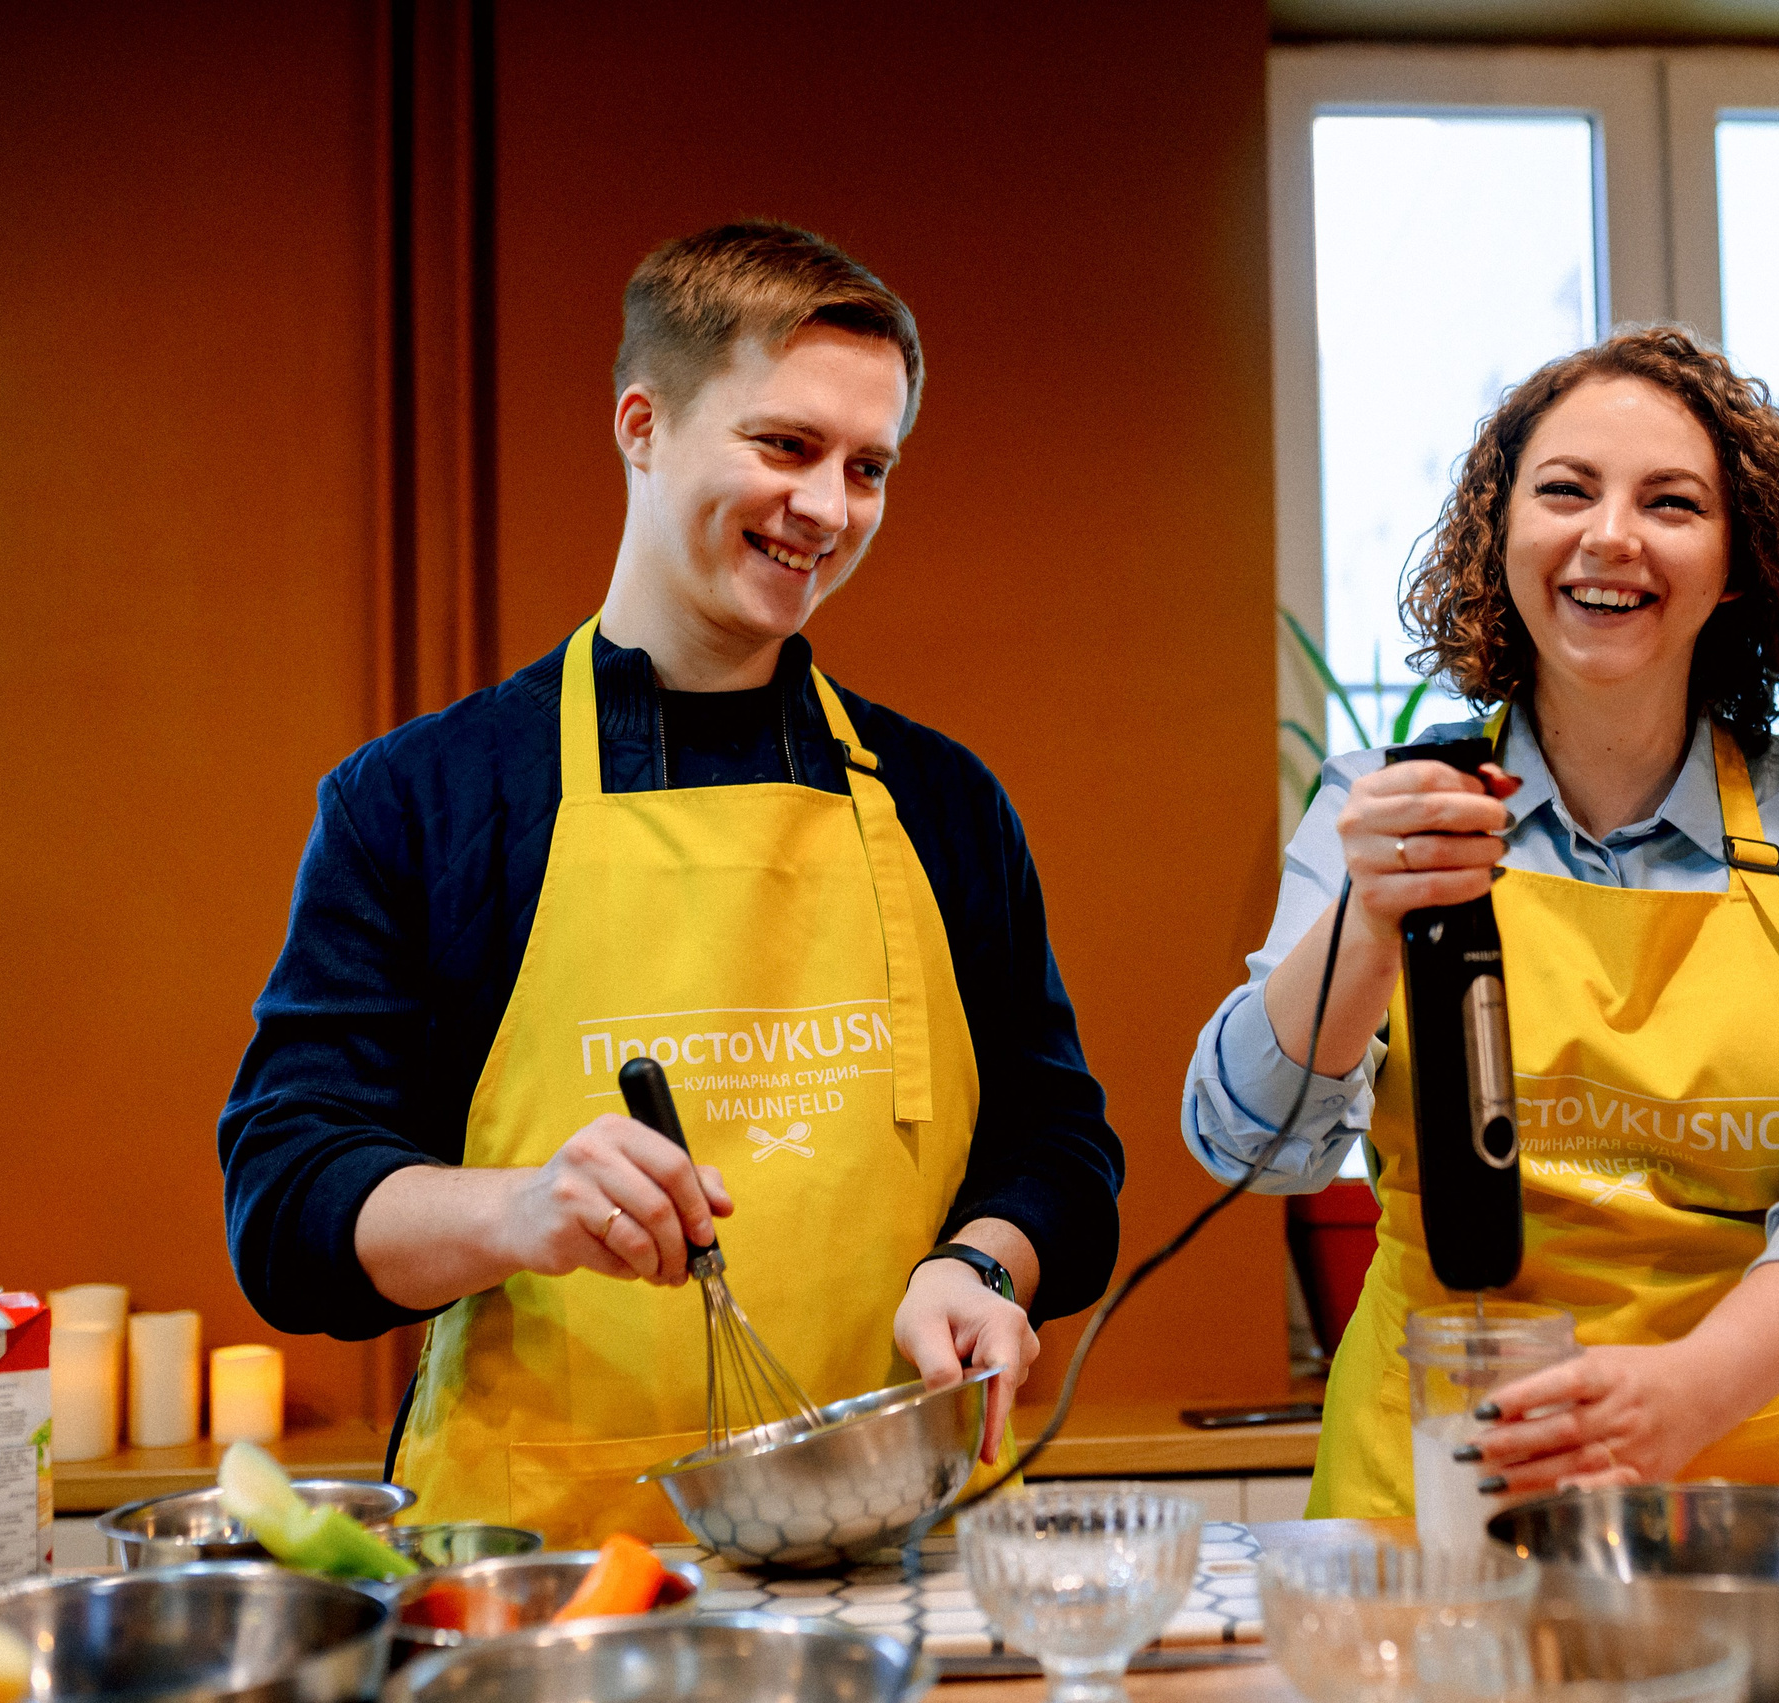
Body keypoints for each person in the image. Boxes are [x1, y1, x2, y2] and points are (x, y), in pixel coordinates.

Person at [220, 222, 1122, 1543]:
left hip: (903, 1546)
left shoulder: (943, 800)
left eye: (868, 466)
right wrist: (519, 1208)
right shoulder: (422, 799)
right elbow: (287, 1200)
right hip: (551, 1574)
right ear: (641, 426)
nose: (830, 507)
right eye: (785, 445)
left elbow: (1061, 1150)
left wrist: (982, 1261)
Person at [1184, 326, 1779, 1512]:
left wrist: (1694, 1387)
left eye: (1671, 502)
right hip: (1440, 1493)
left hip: (1760, 1497)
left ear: (1736, 562)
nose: (1611, 535)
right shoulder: (1381, 806)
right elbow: (1251, 1148)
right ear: (1498, 534)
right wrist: (1366, 921)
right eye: (1565, 490)